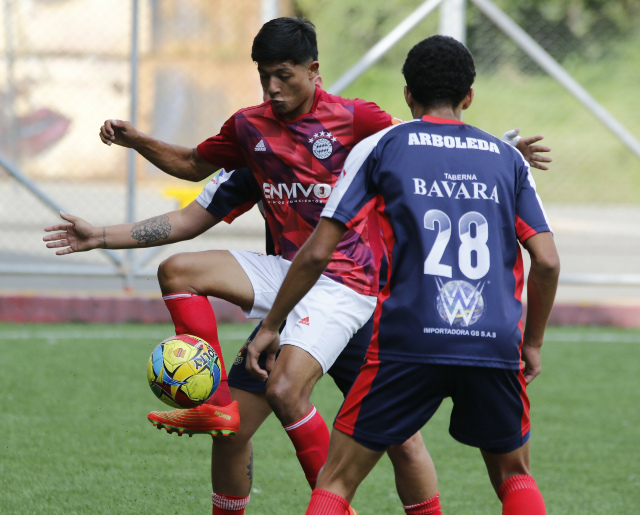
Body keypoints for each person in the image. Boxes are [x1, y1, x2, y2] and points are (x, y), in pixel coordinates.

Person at [89, 17, 549, 514]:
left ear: (313, 71)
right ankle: (216, 400)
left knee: (393, 438)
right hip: (293, 283)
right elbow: (191, 180)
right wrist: (108, 214)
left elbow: (425, 141)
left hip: (351, 288)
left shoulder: (360, 122)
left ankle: (338, 504)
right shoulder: (250, 132)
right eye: (264, 75)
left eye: (283, 74)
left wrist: (497, 153)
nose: (272, 87)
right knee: (228, 410)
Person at [247, 35, 560, 515]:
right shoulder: (507, 158)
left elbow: (316, 253)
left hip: (408, 338)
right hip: (492, 338)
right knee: (514, 475)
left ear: (408, 95)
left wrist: (272, 325)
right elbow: (548, 261)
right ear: (469, 97)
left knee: (337, 481)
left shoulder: (381, 146)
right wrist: (531, 343)